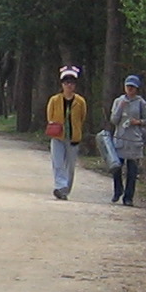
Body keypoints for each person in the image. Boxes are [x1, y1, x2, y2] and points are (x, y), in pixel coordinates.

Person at [110, 73, 146, 206]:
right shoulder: (118, 101)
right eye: (128, 86)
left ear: (137, 89)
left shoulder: (141, 102)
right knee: (116, 168)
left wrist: (138, 122)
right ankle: (118, 190)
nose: (130, 89)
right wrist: (121, 107)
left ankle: (128, 197)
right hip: (120, 139)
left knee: (132, 172)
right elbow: (113, 120)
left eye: (133, 87)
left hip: (134, 141)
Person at [45, 66, 90, 200]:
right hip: (57, 136)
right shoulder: (54, 100)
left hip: (73, 137)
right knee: (57, 163)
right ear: (62, 84)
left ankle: (66, 189)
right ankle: (60, 186)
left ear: (75, 85)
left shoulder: (80, 101)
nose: (69, 85)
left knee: (70, 166)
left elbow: (82, 117)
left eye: (71, 83)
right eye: (66, 82)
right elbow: (50, 116)